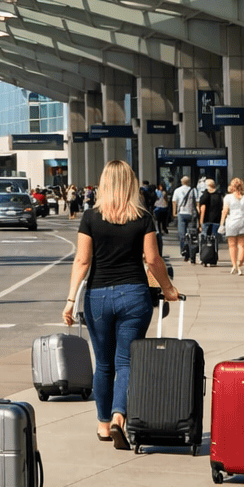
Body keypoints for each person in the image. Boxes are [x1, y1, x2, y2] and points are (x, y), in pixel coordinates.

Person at [63, 159, 178, 449]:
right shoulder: (143, 218)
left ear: (103, 183)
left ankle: (103, 424)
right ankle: (119, 417)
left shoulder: (90, 217)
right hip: (134, 294)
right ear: (131, 183)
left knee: (103, 363)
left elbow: (82, 261)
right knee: (126, 361)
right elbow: (152, 260)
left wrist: (70, 300)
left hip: (98, 295)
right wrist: (168, 288)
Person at [220, 177, 244, 274]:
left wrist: (222, 223)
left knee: (232, 245)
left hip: (231, 222)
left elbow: (225, 211)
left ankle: (234, 265)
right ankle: (240, 264)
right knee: (242, 245)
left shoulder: (228, 197)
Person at [171, 176, 198, 256]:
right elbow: (197, 202)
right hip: (191, 213)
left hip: (181, 213)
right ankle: (190, 249)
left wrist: (174, 212)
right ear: (189, 182)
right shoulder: (193, 190)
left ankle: (183, 249)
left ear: (181, 182)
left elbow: (174, 202)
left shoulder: (177, 190)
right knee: (191, 233)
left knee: (181, 233)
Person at [198, 178, 224, 245]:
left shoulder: (205, 195)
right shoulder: (219, 195)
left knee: (205, 239)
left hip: (206, 220)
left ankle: (205, 252)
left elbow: (203, 209)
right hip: (216, 220)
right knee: (214, 238)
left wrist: (200, 221)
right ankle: (214, 252)